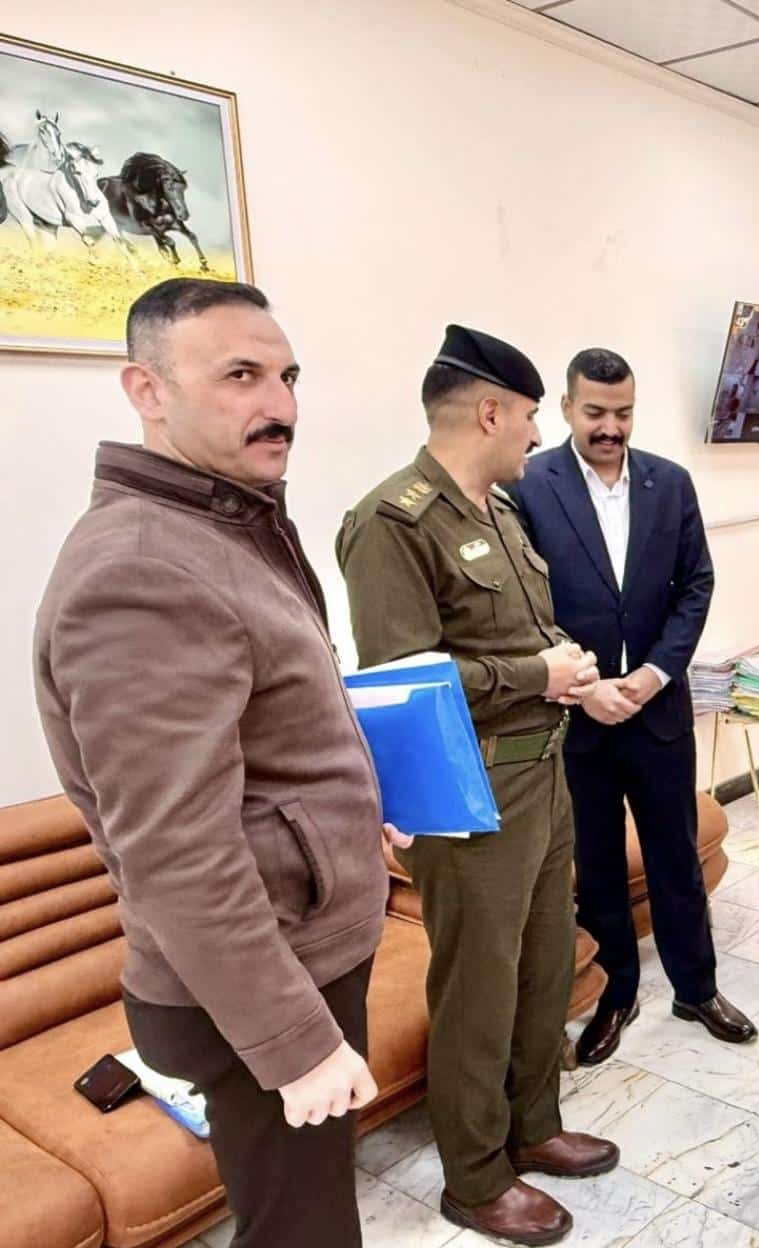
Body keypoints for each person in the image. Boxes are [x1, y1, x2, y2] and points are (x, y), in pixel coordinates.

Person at [33, 278, 395, 1248]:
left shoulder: (225, 524)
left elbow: (271, 743)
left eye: (287, 376)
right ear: (146, 390)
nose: (279, 405)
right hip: (256, 981)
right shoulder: (142, 568)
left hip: (294, 946)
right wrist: (294, 1044)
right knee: (302, 1233)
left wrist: (351, 820)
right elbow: (174, 849)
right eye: (240, 376)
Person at [335, 325, 617, 1247]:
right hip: (469, 794)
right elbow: (403, 682)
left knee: (543, 966)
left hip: (542, 774)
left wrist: (564, 667)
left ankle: (534, 1126)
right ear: (490, 412)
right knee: (478, 988)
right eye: (531, 416)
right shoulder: (393, 522)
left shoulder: (497, 510)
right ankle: (476, 1174)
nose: (539, 434)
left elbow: (516, 637)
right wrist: (539, 674)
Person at [506, 347, 755, 1066]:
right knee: (596, 862)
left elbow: (695, 585)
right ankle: (616, 993)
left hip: (657, 709)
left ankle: (696, 987)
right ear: (566, 408)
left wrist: (651, 674)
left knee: (676, 853)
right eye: (595, 412)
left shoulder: (668, 482)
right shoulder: (529, 485)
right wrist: (589, 687)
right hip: (576, 714)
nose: (610, 427)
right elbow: (524, 605)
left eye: (623, 413)